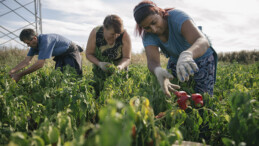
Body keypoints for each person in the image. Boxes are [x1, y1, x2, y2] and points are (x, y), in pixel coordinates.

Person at [133, 1, 217, 97]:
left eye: (154, 22)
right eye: (147, 27)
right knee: (175, 95)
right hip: (176, 60)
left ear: (160, 13)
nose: (154, 29)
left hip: (202, 57)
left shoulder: (177, 17)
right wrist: (157, 70)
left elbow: (202, 41)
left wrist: (187, 54)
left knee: (202, 97)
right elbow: (152, 62)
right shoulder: (148, 36)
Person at [9, 28, 83, 82]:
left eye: (28, 43)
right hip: (61, 56)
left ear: (34, 38)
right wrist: (12, 71)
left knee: (73, 78)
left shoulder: (45, 41)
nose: (28, 46)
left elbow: (40, 64)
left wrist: (19, 75)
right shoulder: (34, 45)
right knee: (59, 78)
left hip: (71, 52)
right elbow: (26, 61)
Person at [85, 14, 131, 96]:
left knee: (120, 94)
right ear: (104, 29)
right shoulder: (96, 33)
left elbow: (127, 57)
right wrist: (99, 64)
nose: (116, 37)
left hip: (119, 70)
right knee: (99, 93)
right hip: (100, 69)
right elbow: (89, 54)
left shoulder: (124, 35)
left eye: (118, 34)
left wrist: (119, 67)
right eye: (112, 34)